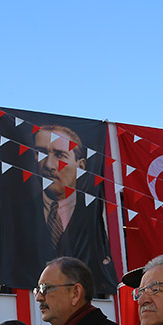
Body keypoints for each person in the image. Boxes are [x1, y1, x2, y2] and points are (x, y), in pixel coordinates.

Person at [30, 124, 115, 292]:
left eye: (60, 155)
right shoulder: (18, 213)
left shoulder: (96, 216)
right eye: (41, 153)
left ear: (81, 165)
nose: (49, 165)